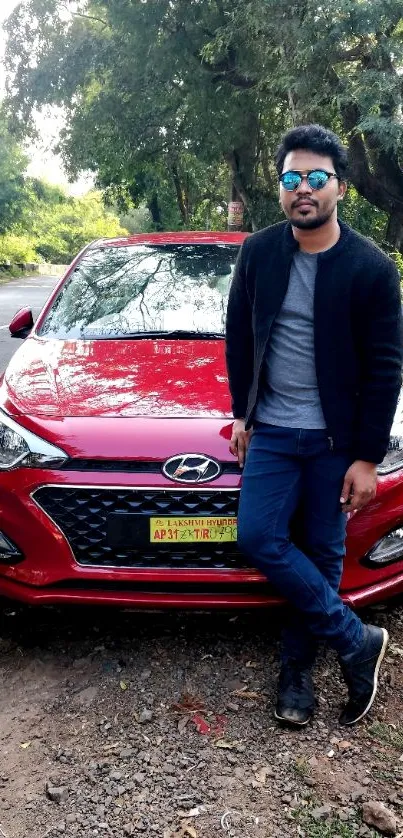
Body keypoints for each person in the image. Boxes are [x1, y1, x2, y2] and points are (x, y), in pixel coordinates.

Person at [225, 123, 403, 727]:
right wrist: (240, 414)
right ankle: (356, 638)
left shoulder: (371, 269)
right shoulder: (257, 253)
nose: (304, 189)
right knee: (258, 537)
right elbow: (240, 339)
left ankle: (297, 673)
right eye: (292, 178)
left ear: (340, 189)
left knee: (323, 556)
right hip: (273, 429)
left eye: (317, 178)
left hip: (335, 439)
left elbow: (386, 368)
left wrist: (368, 457)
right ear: (281, 189)